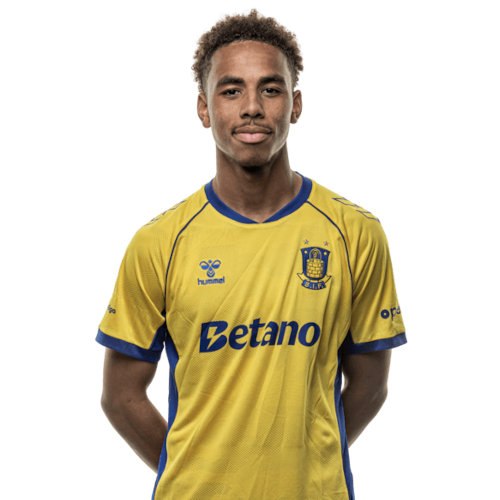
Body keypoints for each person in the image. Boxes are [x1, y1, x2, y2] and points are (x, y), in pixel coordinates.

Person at [96, 8, 408, 500]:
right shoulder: (158, 242)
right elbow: (121, 397)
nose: (252, 108)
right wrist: (194, 472)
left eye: (271, 89)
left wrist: (310, 459)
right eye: (231, 90)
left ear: (296, 104)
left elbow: (371, 386)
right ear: (203, 108)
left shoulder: (356, 232)